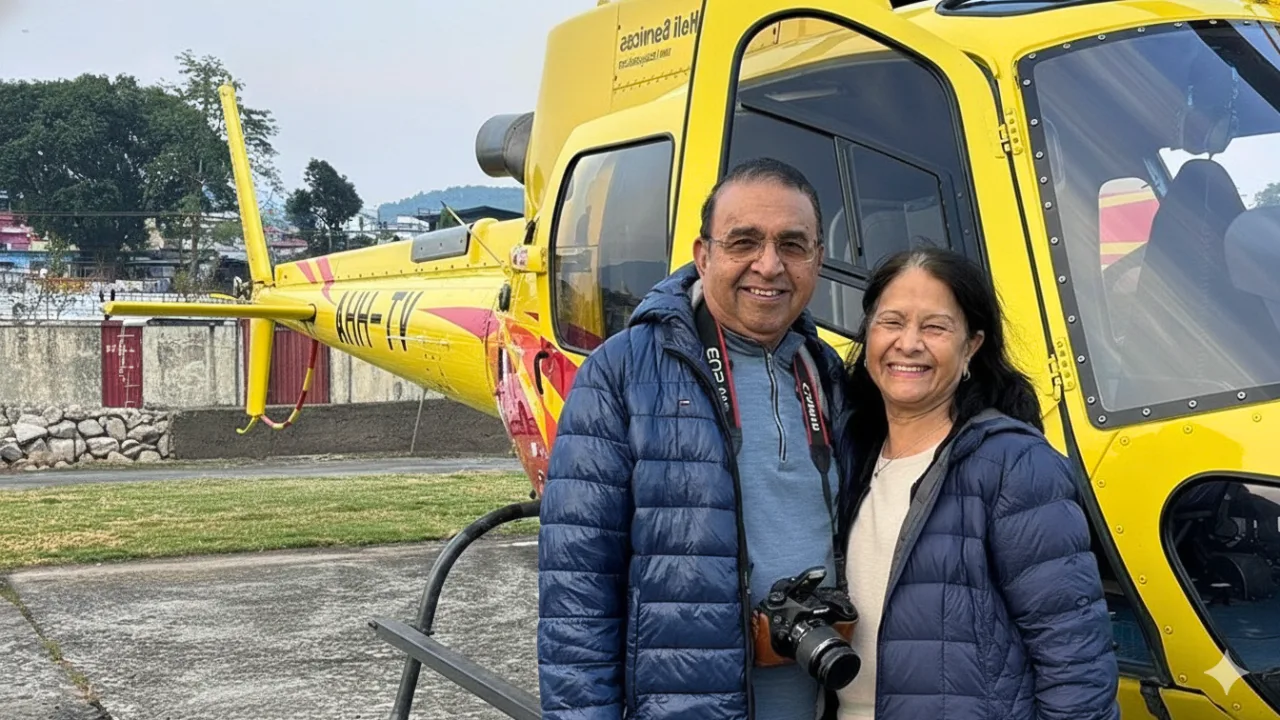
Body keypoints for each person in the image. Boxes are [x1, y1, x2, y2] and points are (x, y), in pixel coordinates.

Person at [536, 157, 852, 720]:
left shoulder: (827, 371)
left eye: (793, 245)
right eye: (744, 242)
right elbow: (577, 595)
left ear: (818, 261)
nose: (769, 265)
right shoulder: (624, 373)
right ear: (703, 255)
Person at [833, 247, 1120, 720]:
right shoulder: (851, 452)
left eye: (935, 327)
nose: (908, 343)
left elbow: (1075, 662)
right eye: (892, 322)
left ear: (971, 346)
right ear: (867, 335)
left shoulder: (1015, 464)